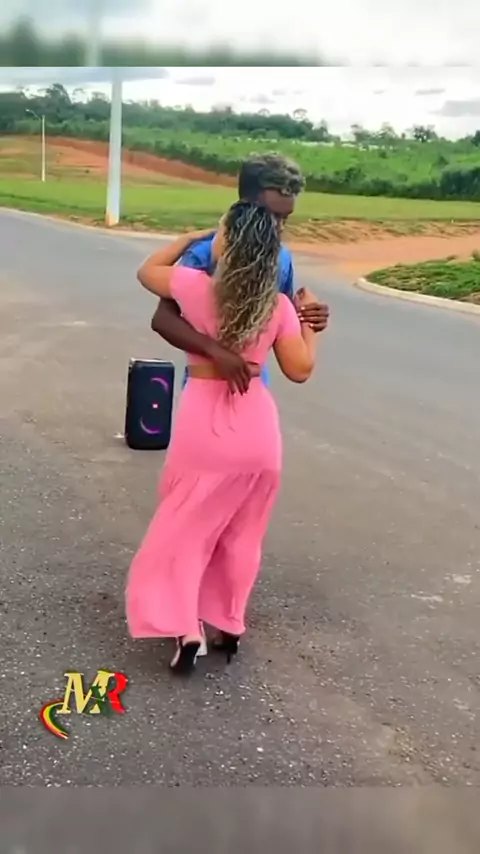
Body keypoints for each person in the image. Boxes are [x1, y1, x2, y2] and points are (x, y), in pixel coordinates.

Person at [126, 201, 318, 675]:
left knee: (186, 529)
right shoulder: (278, 307)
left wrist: (187, 239)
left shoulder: (196, 288)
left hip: (206, 424)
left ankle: (186, 629)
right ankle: (229, 623)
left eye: (220, 232)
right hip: (258, 430)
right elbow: (300, 370)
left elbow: (147, 272)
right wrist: (310, 327)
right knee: (242, 533)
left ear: (227, 244)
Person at [150, 153, 329, 394]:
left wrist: (309, 318)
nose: (279, 227)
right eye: (272, 216)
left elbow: (279, 322)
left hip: (253, 390)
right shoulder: (204, 254)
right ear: (245, 206)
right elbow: (163, 319)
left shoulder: (281, 258)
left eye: (285, 218)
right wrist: (214, 351)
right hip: (204, 389)